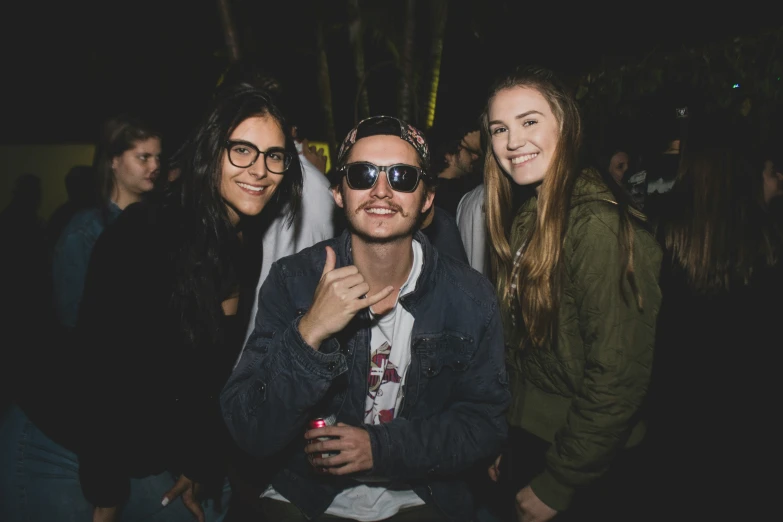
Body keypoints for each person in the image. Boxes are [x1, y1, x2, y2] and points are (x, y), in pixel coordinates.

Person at [0, 83, 303, 522]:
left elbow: (208, 373)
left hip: (134, 445)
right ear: (210, 153)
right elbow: (99, 366)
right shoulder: (149, 230)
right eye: (242, 150)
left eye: (274, 155)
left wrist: (198, 461)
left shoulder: (243, 240)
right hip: (62, 443)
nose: (259, 169)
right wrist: (106, 494)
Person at [221, 115, 509, 522]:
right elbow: (249, 431)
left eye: (403, 177)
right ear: (338, 192)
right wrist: (310, 332)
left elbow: (483, 424)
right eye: (362, 174)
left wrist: (380, 448)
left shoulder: (470, 297)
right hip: (306, 492)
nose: (381, 190)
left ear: (427, 198)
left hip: (420, 492)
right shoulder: (294, 281)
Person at [482, 66, 662, 521]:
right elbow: (521, 349)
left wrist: (558, 483)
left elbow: (619, 377)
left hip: (585, 463)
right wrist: (507, 436)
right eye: (500, 128)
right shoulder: (533, 215)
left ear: (566, 125)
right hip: (534, 441)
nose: (512, 141)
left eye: (529, 121)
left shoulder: (599, 226)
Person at [51, 115, 161, 329]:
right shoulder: (85, 231)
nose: (155, 166)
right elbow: (72, 317)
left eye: (158, 157)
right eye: (143, 157)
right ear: (114, 160)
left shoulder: (160, 221)